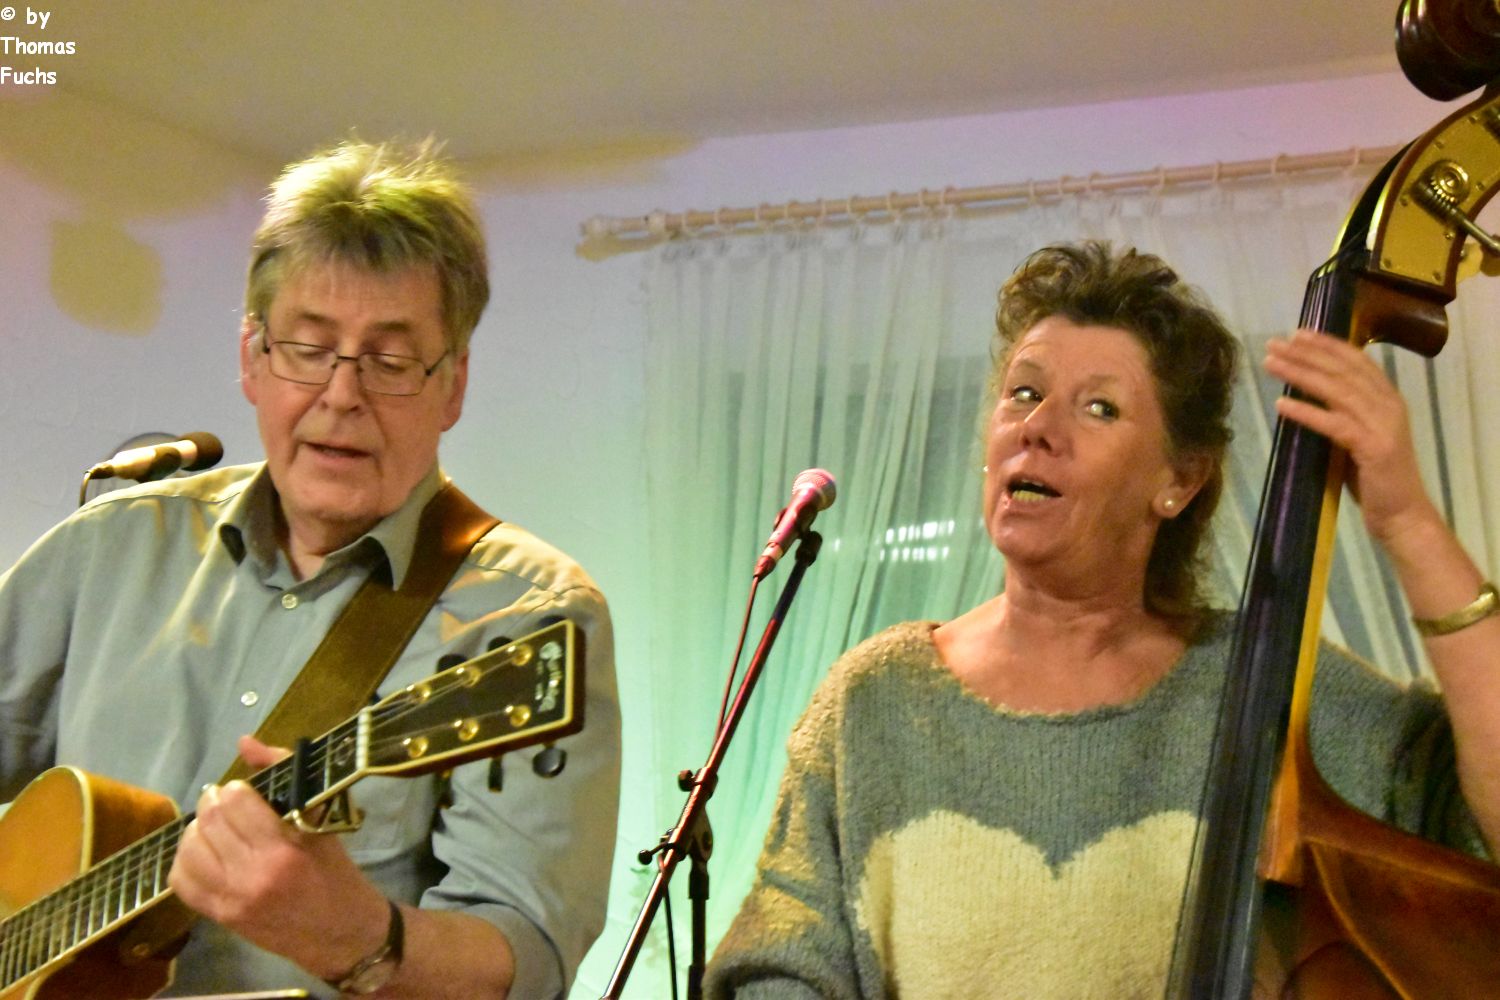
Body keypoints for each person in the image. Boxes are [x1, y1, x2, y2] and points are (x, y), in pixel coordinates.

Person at [703, 241, 1500, 998]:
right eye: (1024, 392)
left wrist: (1407, 521)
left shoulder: (1270, 691)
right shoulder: (875, 701)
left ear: (1179, 480)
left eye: (1099, 407)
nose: (1038, 427)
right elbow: (776, 968)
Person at [0, 139, 620, 998]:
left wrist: (359, 937)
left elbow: (524, 961)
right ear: (252, 357)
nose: (341, 394)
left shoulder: (526, 617)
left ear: (453, 384)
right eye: (308, 347)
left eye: (390, 361)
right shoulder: (108, 548)